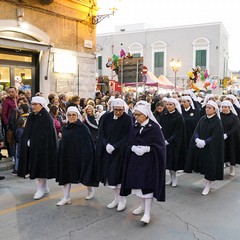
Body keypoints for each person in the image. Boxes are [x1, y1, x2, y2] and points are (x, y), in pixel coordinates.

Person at [120, 104, 166, 224]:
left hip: (148, 163)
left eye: (138, 115)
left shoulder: (154, 128)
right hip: (136, 161)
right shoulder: (134, 126)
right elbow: (129, 142)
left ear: (145, 115)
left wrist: (148, 149)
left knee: (147, 187)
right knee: (138, 186)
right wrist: (133, 148)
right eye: (135, 115)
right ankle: (142, 206)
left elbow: (160, 147)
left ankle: (147, 213)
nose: (136, 117)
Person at [56, 106, 99, 205]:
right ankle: (66, 197)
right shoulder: (65, 128)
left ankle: (90, 190)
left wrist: (87, 156)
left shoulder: (83, 128)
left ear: (77, 116)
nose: (71, 117)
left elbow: (88, 143)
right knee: (66, 176)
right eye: (69, 115)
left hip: (81, 156)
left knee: (86, 174)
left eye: (73, 115)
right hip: (67, 156)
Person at [17, 96, 58, 200]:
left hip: (43, 148)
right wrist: (28, 139)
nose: (33, 106)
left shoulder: (46, 117)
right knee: (36, 166)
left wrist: (34, 140)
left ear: (41, 105)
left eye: (35, 104)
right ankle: (44, 187)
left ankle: (41, 188)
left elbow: (47, 134)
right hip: (33, 147)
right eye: (32, 104)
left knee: (41, 167)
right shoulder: (32, 116)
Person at [97, 98, 132, 211]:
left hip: (120, 152)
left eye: (120, 110)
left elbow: (127, 136)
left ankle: (122, 199)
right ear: (112, 108)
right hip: (108, 151)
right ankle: (116, 198)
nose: (118, 112)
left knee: (119, 177)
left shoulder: (127, 119)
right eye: (116, 110)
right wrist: (106, 144)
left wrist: (115, 146)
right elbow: (102, 133)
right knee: (110, 177)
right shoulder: (106, 118)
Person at [185, 100, 224, 195]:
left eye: (210, 108)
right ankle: (206, 180)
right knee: (204, 165)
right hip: (201, 146)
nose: (207, 109)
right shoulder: (202, 118)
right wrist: (197, 139)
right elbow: (197, 130)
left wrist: (205, 142)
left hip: (211, 147)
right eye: (206, 107)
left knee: (210, 165)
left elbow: (216, 136)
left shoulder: (217, 121)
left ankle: (209, 184)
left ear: (215, 110)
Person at [159, 98, 187, 187]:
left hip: (174, 143)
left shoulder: (179, 117)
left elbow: (178, 131)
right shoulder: (164, 115)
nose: (169, 106)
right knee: (167, 162)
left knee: (173, 162)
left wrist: (169, 140)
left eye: (171, 105)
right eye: (168, 104)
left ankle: (174, 178)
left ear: (175, 106)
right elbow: (161, 127)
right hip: (165, 141)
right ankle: (170, 178)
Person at [220, 100, 240, 176]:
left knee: (232, 153)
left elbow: (235, 128)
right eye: (222, 107)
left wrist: (227, 134)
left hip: (231, 138)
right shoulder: (219, 116)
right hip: (221, 137)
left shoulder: (234, 117)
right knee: (222, 152)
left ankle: (232, 168)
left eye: (225, 107)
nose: (223, 108)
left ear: (229, 108)